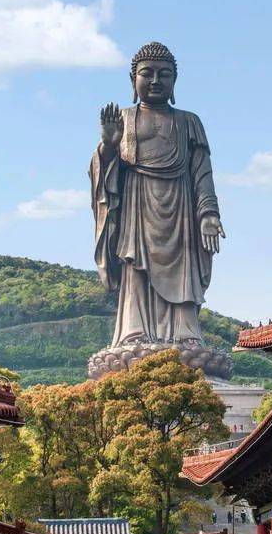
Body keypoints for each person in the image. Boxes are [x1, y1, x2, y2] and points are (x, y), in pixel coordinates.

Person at [91, 42, 225, 348]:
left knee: (184, 271)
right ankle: (134, 332)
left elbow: (202, 172)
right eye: (147, 73)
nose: (155, 80)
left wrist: (208, 213)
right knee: (135, 267)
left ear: (174, 80)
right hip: (136, 206)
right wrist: (109, 146)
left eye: (164, 74)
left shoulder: (189, 122)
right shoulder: (123, 118)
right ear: (133, 79)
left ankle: (185, 334)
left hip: (181, 210)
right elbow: (103, 174)